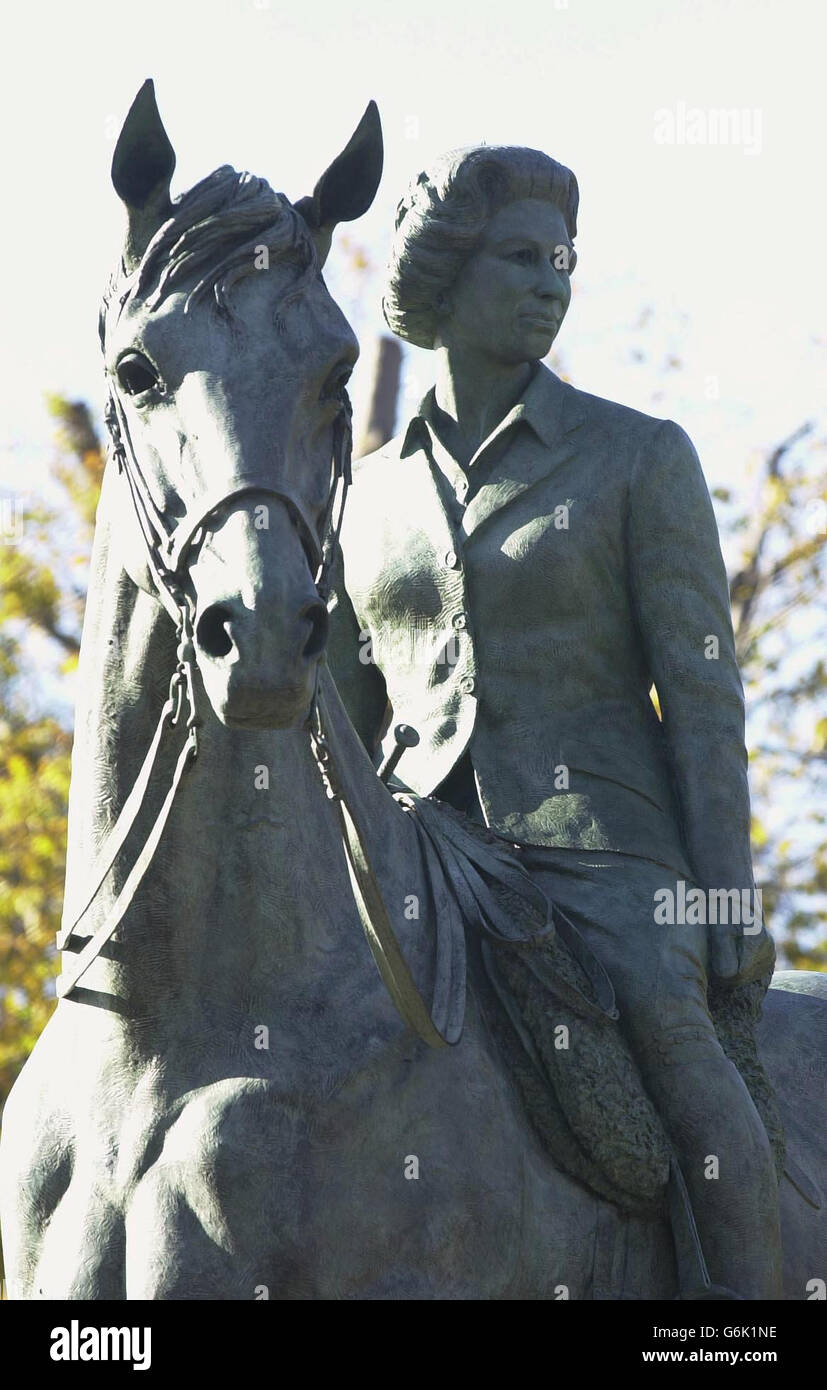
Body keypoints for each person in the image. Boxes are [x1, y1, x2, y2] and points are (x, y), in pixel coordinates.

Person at [326, 144, 782, 1299]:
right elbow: (333, 714)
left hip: (601, 859)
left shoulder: (639, 457)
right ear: (445, 277)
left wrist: (722, 894)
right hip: (413, 851)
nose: (550, 284)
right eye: (520, 259)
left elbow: (700, 695)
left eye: (561, 263)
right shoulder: (363, 494)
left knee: (684, 1069)